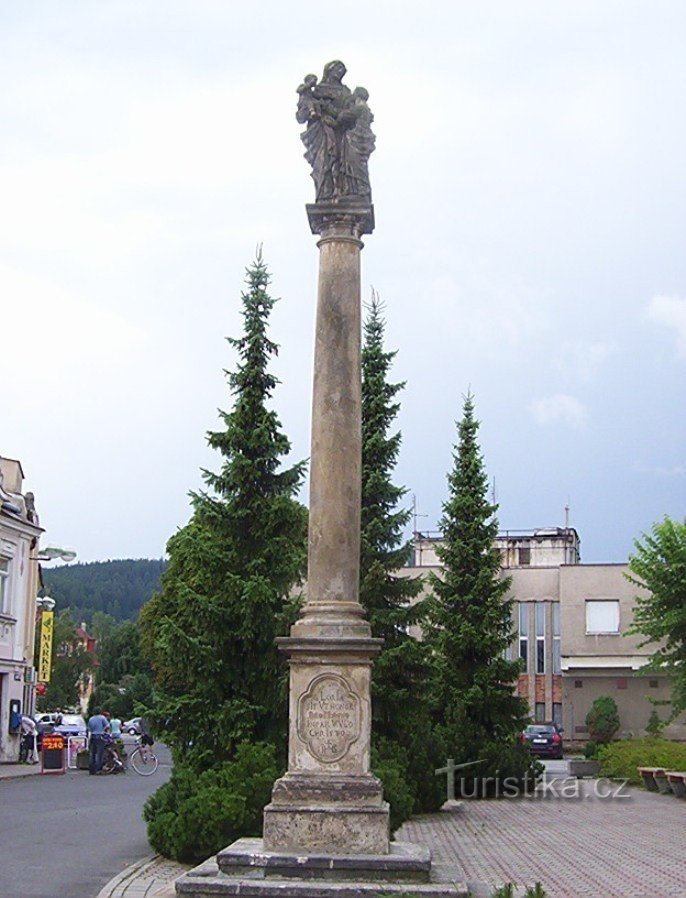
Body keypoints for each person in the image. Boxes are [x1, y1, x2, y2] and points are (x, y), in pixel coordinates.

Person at [87, 708, 109, 775]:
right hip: (100, 736)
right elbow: (107, 726)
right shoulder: (102, 718)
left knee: (92, 753)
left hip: (93, 736)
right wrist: (103, 731)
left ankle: (91, 770)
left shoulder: (91, 719)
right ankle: (98, 769)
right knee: (99, 754)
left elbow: (89, 728)